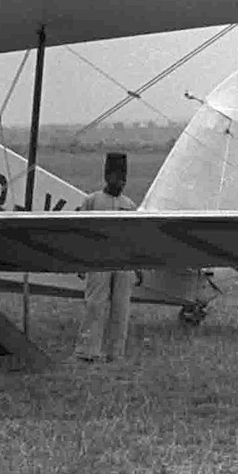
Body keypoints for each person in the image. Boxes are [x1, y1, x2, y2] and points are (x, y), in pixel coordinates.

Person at [73, 152, 138, 362]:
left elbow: (135, 239)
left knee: (121, 308)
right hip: (97, 259)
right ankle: (87, 351)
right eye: (116, 177)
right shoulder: (91, 201)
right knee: (94, 304)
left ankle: (115, 353)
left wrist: (137, 266)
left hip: (123, 263)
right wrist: (81, 262)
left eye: (123, 179)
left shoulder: (129, 205)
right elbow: (81, 234)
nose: (120, 182)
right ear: (106, 177)